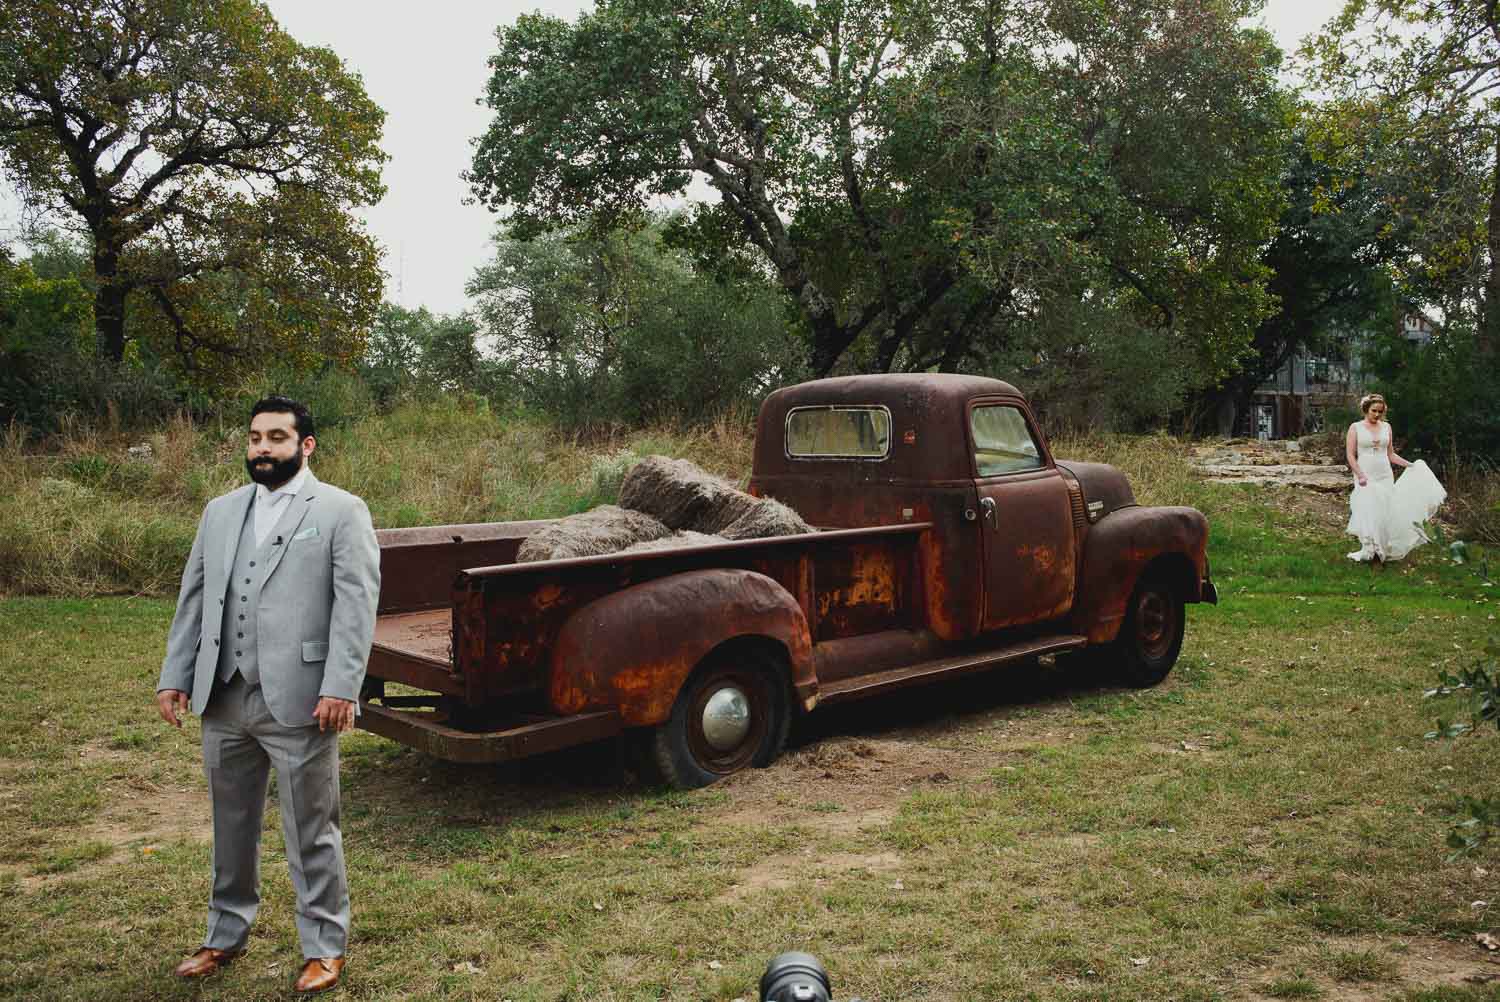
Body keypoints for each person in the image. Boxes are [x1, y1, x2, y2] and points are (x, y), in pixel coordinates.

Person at [155, 395, 380, 994]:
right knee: (231, 824)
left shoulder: (340, 510)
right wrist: (175, 674)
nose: (262, 448)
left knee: (312, 826)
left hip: (304, 697)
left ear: (305, 445)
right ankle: (224, 934)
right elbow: (195, 598)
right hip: (224, 696)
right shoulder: (220, 512)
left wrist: (341, 686)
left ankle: (323, 946)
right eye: (255, 437)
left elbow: (356, 606)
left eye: (276, 438)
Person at [1344, 393, 1446, 562]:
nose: (1377, 414)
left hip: (1384, 474)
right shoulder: (1355, 428)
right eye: (1373, 411)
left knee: (1384, 511)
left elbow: (1390, 454)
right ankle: (1371, 549)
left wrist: (1411, 465)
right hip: (1365, 474)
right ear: (1365, 409)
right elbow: (1350, 455)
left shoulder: (1386, 427)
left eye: (1380, 411)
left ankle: (1381, 549)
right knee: (1370, 510)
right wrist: (1360, 474)